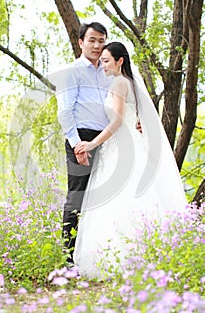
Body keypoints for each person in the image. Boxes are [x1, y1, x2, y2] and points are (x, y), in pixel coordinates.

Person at [73, 42, 187, 278]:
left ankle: (120, 260)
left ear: (120, 61)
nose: (102, 65)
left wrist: (92, 143)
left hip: (120, 148)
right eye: (101, 60)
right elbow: (136, 117)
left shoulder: (117, 83)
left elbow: (116, 122)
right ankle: (147, 256)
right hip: (132, 144)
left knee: (117, 202)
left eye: (106, 61)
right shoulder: (131, 84)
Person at [54, 22, 111, 265]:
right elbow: (65, 111)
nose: (97, 45)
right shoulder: (72, 71)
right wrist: (78, 144)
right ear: (80, 42)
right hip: (81, 137)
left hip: (106, 139)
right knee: (77, 196)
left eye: (101, 40)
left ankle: (94, 256)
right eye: (92, 40)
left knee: (103, 197)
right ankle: (68, 259)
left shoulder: (107, 71)